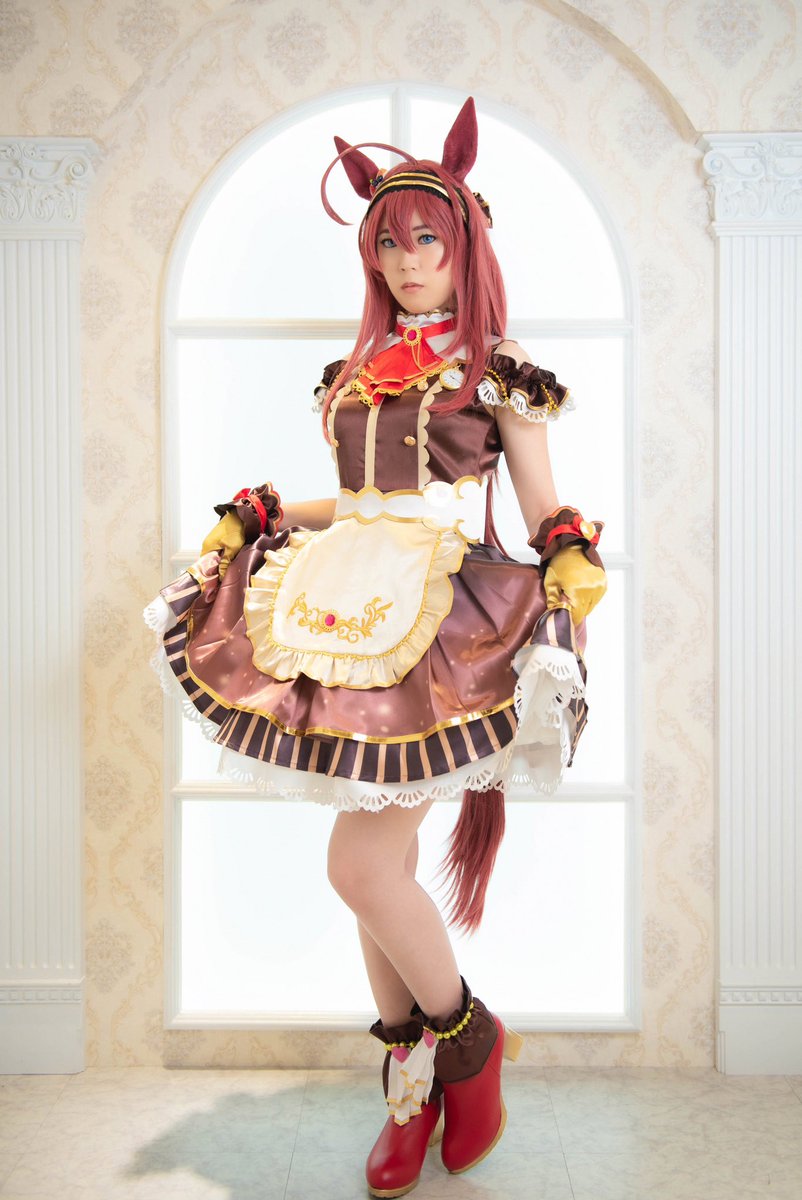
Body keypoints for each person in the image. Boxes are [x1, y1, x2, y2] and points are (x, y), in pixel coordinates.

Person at [144, 96, 607, 1198]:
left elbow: (540, 503)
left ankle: (468, 1037)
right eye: (388, 245)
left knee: (355, 866)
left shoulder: (498, 371)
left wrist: (569, 560)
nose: (406, 262)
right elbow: (359, 505)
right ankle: (409, 1092)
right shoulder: (359, 370)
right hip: (346, 602)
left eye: (425, 240)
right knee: (377, 874)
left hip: (439, 620)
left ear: (465, 245)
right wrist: (263, 512)